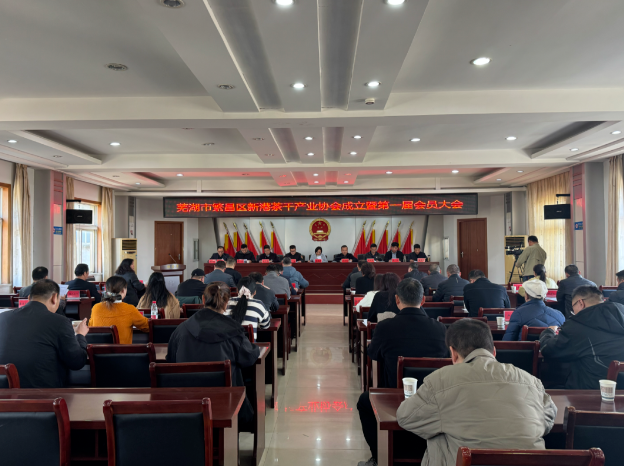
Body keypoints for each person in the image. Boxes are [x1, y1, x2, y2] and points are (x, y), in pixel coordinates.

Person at [396, 319, 556, 466]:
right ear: (494, 352)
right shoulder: (531, 381)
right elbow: (548, 419)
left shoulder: (441, 380)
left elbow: (405, 417)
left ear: (453, 353)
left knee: (439, 435)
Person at [356, 279, 448, 466]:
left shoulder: (385, 327)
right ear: (423, 300)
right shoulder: (440, 328)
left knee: (365, 401)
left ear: (397, 300)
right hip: (435, 398)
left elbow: (373, 354)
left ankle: (378, 457)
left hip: (396, 399)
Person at [166, 283, 259, 425]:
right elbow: (249, 358)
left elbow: (171, 362)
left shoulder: (181, 330)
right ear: (226, 303)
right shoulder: (233, 330)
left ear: (203, 299)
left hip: (186, 404)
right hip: (226, 404)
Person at [0, 279, 89, 388]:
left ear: (29, 298)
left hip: (4, 391)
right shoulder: (59, 322)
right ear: (54, 298)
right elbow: (77, 362)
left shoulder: (2, 317)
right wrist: (80, 335)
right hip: (43, 393)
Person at [540, 285, 624, 389]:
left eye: (573, 308)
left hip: (593, 391)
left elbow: (549, 350)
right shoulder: (621, 311)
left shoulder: (579, 323)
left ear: (580, 303)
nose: (573, 312)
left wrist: (548, 332)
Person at [89, 276, 149, 344]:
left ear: (106, 290)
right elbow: (147, 326)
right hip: (122, 350)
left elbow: (90, 326)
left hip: (99, 350)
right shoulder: (129, 309)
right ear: (123, 290)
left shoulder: (96, 308)